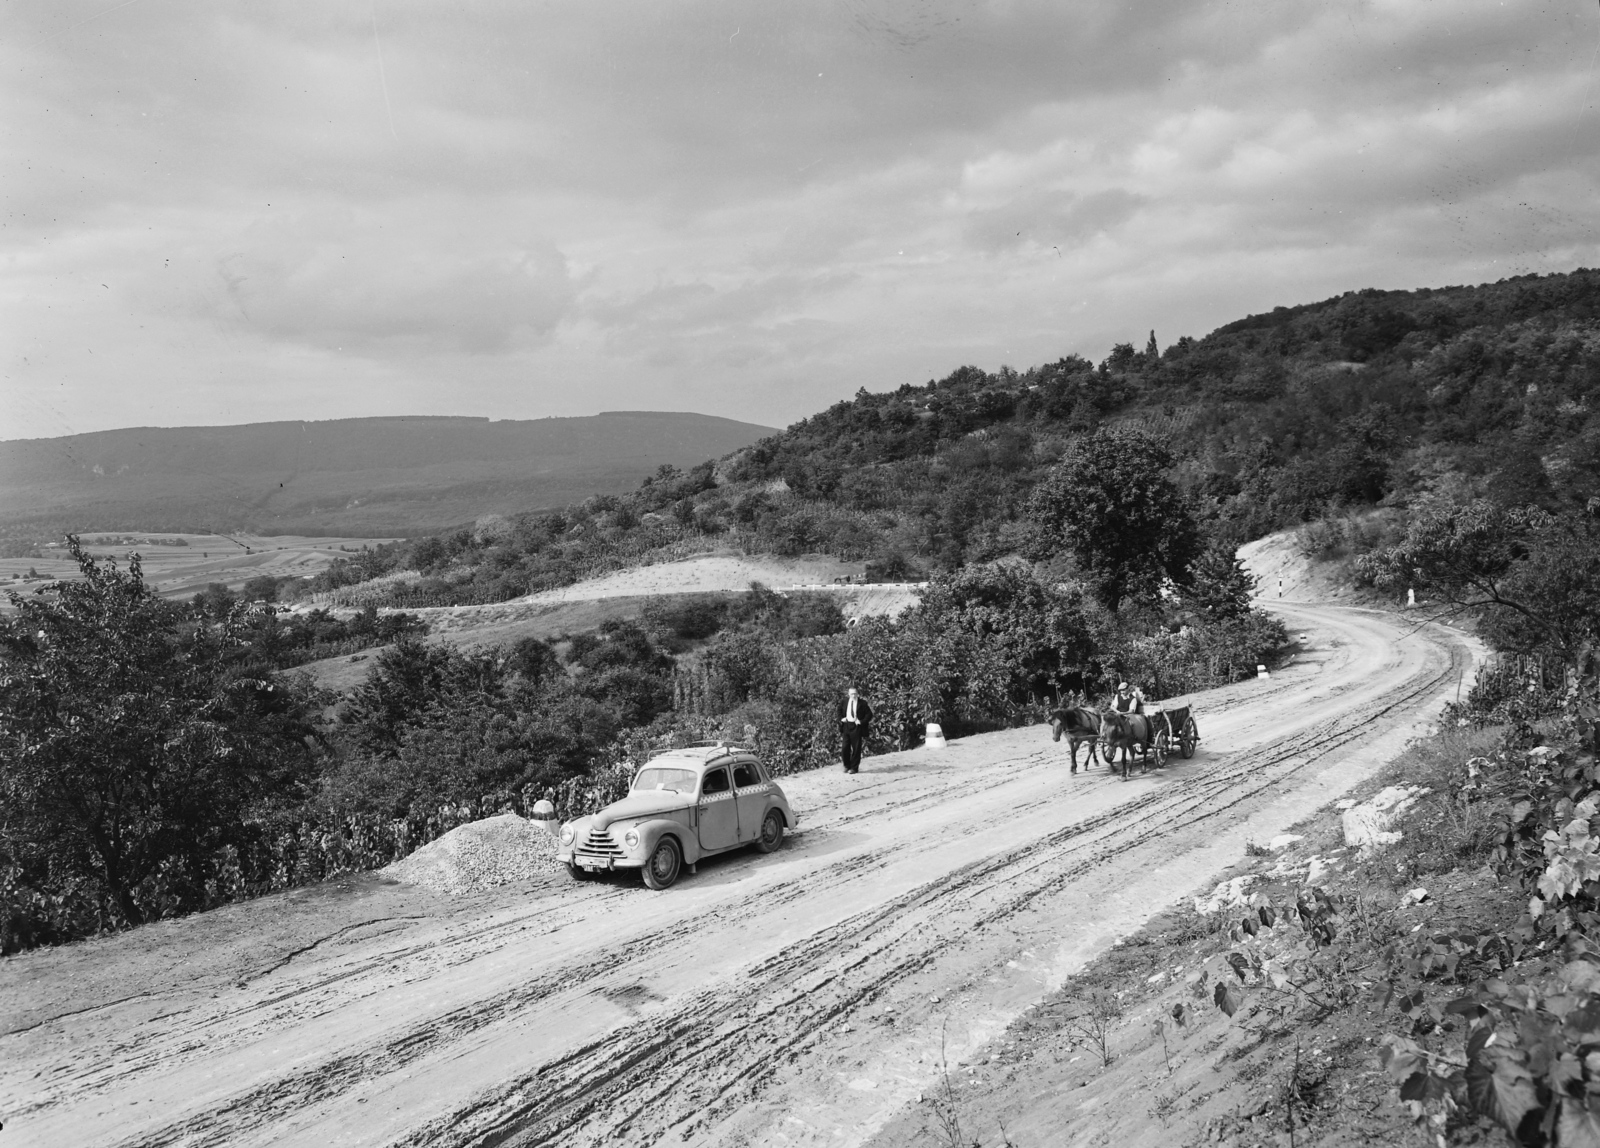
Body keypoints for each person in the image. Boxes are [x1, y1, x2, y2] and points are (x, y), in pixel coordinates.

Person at [836, 686, 873, 774]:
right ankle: (846, 765)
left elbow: (869, 715)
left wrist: (861, 721)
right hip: (846, 726)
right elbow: (838, 710)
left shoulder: (862, 703)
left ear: (857, 694)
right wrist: (841, 718)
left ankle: (854, 768)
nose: (853, 695)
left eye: (855, 694)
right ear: (848, 694)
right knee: (845, 747)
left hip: (856, 727)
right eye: (852, 694)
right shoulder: (844, 701)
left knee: (856, 748)